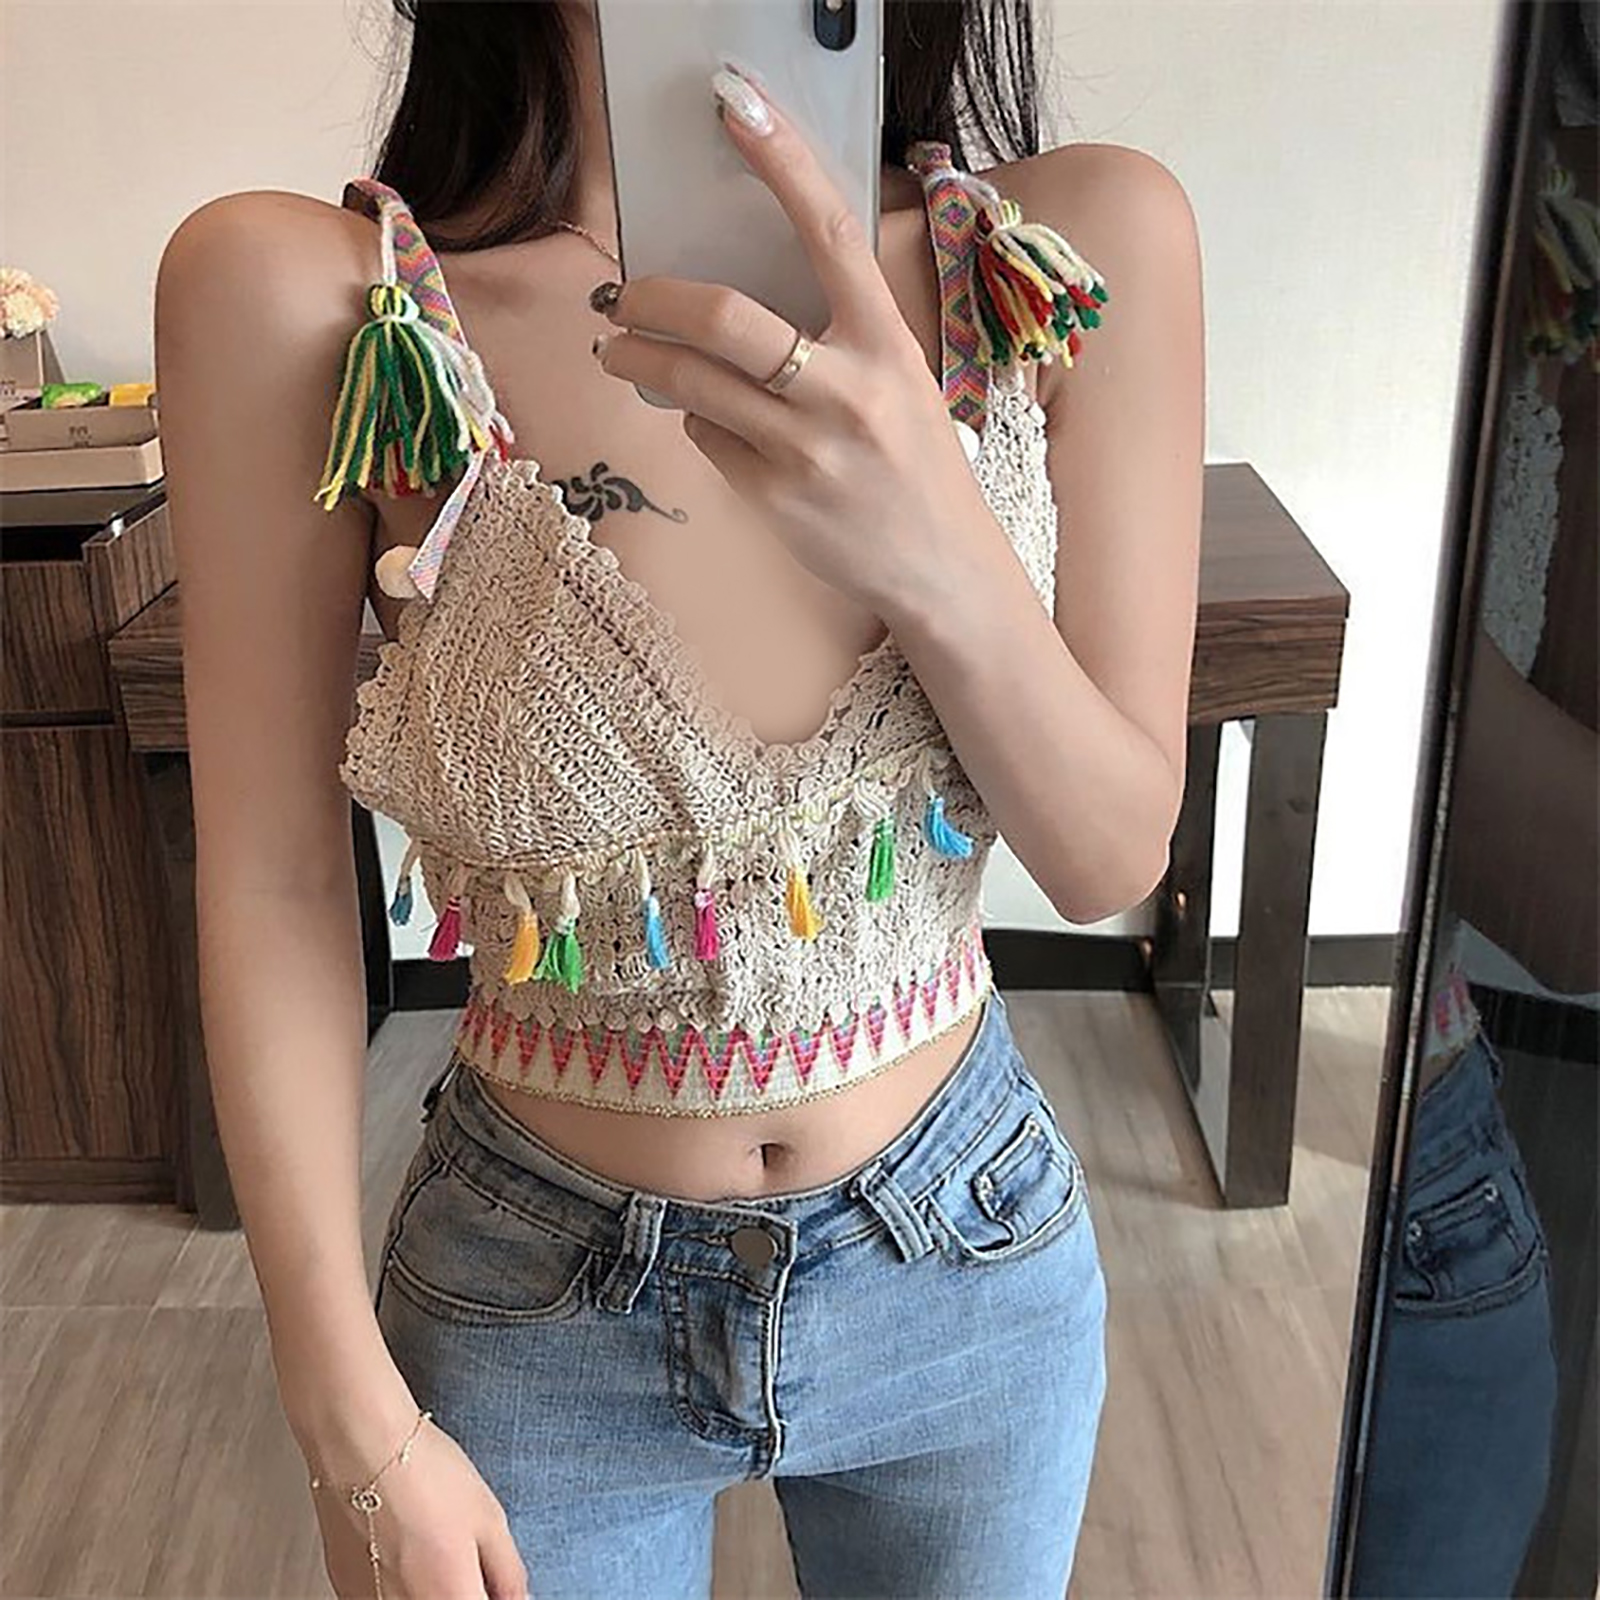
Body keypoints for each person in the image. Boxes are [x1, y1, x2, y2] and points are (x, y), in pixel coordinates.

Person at [154, 2, 1203, 1595]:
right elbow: (275, 882)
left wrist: (935, 539)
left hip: (967, 1261)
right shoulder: (316, 299)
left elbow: (1105, 855)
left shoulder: (1061, 247)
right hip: (530, 1299)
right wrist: (347, 1421)